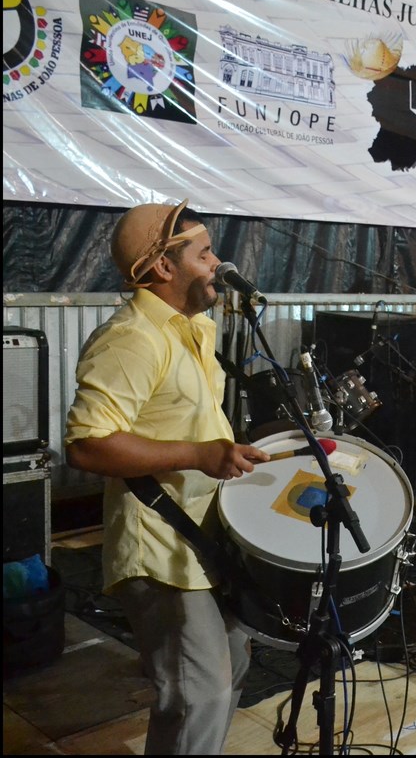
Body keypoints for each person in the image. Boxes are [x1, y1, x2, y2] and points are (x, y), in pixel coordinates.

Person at [64, 200, 271, 754]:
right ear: (163, 266)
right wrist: (198, 455)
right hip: (160, 546)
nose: (218, 263)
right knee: (198, 694)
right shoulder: (132, 338)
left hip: (204, 535)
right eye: (205, 254)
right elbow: (86, 445)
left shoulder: (192, 327)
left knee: (227, 670)